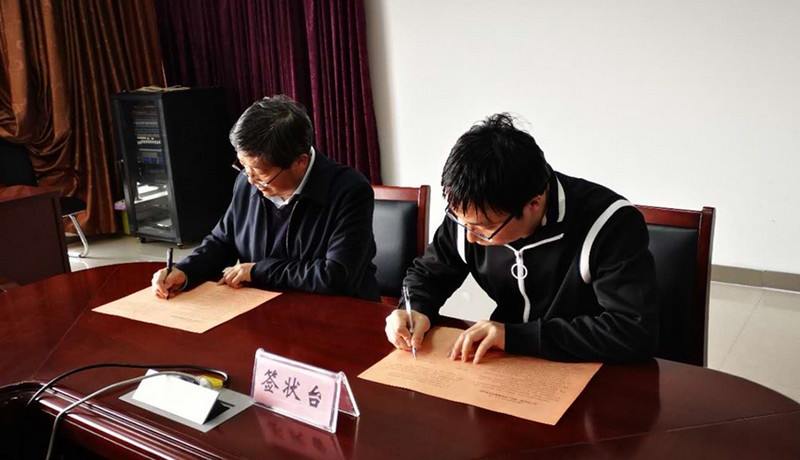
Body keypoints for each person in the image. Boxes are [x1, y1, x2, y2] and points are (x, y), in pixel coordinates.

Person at [385, 113, 658, 363]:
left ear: (534, 204)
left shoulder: (609, 222)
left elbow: (632, 330)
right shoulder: (471, 212)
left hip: (591, 370)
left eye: (484, 228)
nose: (470, 237)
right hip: (505, 363)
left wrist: (515, 336)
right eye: (461, 222)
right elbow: (428, 275)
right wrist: (414, 309)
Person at [151, 95, 380, 301]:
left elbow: (335, 276)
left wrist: (258, 271)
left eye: (260, 172)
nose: (250, 180)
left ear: (300, 162)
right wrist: (186, 270)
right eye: (243, 167)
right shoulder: (247, 182)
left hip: (334, 314)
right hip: (264, 307)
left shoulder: (349, 191)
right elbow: (222, 241)